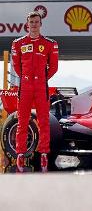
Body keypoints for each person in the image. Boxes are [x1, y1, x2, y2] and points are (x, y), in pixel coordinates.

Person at [11, 11, 59, 173]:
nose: (34, 24)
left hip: (41, 86)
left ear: (40, 24)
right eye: (31, 22)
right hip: (25, 86)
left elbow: (53, 67)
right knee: (22, 121)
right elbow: (17, 66)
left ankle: (44, 152)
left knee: (44, 121)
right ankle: (20, 153)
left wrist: (42, 79)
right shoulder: (18, 43)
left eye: (36, 22)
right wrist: (26, 78)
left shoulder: (49, 44)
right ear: (27, 24)